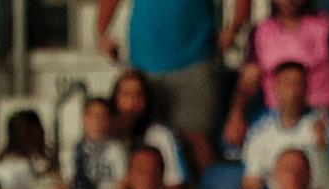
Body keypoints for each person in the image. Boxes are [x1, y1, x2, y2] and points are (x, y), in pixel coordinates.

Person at [95, 0, 248, 178]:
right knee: (140, 142)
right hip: (143, 63)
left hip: (194, 61)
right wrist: (102, 32)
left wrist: (234, 28)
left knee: (196, 141)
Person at [226, 0, 329, 149]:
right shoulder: (261, 31)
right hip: (275, 116)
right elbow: (248, 80)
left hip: (321, 115)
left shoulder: (327, 28)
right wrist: (236, 115)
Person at [110, 69, 190, 189]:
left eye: (138, 94)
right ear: (115, 98)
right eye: (126, 94)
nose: (132, 101)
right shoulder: (104, 133)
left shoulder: (161, 135)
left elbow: (175, 186)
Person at [67, 96, 129, 189]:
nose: (97, 121)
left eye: (102, 116)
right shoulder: (75, 149)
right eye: (92, 116)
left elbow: (123, 185)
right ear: (84, 118)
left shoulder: (116, 149)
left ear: (109, 120)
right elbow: (69, 182)